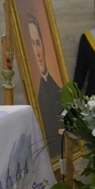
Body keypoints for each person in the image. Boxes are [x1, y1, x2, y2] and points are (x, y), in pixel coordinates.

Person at [27, 12, 63, 157]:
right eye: (32, 44)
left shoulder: (58, 88)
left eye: (38, 43)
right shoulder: (37, 93)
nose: (37, 52)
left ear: (43, 46)